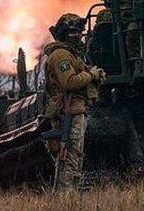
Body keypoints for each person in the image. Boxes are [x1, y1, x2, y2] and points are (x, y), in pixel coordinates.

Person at [43, 13, 105, 191]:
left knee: (74, 156)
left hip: (76, 109)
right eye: (72, 32)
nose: (77, 35)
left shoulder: (71, 55)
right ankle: (65, 197)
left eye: (79, 31)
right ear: (63, 34)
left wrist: (95, 75)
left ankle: (70, 197)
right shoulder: (61, 55)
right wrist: (91, 74)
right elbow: (69, 82)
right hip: (68, 110)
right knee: (68, 157)